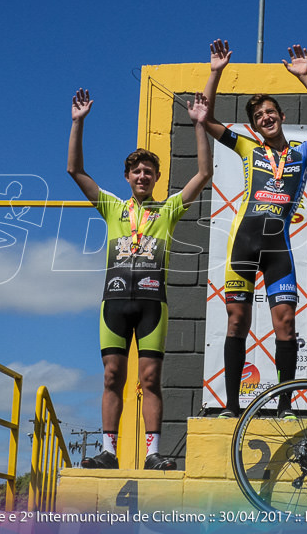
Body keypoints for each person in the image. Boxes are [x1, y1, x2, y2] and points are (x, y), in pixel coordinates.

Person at [67, 65, 214, 470]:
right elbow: (75, 171)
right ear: (129, 177)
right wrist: (78, 123)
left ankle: (153, 453)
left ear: (157, 177)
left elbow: (203, 173)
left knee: (150, 379)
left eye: (149, 171)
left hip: (153, 303)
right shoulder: (114, 208)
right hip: (114, 302)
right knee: (112, 375)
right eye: (136, 171)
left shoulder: (167, 210)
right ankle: (109, 451)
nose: (143, 175)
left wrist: (199, 125)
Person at [200, 40, 307, 417]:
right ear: (254, 124)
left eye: (270, 111)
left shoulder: (301, 153)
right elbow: (206, 119)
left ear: (280, 115)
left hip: (278, 250)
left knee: (287, 325)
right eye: (259, 114)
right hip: (243, 244)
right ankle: (231, 406)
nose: (265, 117)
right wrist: (216, 73)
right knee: (237, 321)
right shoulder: (248, 149)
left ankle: (284, 406)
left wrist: (305, 75)